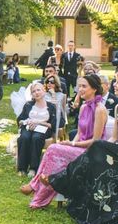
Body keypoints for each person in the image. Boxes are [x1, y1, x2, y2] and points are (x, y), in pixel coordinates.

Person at [42, 71, 118, 224]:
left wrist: (116, 149)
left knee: (98, 146)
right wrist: (104, 149)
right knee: (97, 148)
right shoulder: (117, 107)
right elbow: (114, 138)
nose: (114, 85)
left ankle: (62, 180)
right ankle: (75, 192)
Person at [22, 74, 107, 209]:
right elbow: (79, 133)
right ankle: (39, 196)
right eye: (79, 86)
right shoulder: (84, 107)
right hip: (80, 148)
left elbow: (96, 141)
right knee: (54, 153)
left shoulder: (100, 109)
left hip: (92, 151)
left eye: (84, 86)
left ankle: (35, 187)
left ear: (95, 88)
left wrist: (72, 144)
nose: (80, 89)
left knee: (53, 149)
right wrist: (71, 145)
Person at [16, 82, 57, 176]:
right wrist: (26, 122)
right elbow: (20, 119)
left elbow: (56, 123)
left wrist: (39, 122)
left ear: (44, 90)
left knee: (36, 138)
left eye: (38, 90)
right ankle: (22, 168)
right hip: (28, 126)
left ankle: (33, 168)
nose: (36, 93)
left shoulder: (51, 106)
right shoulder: (28, 105)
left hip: (43, 128)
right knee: (24, 138)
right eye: (33, 91)